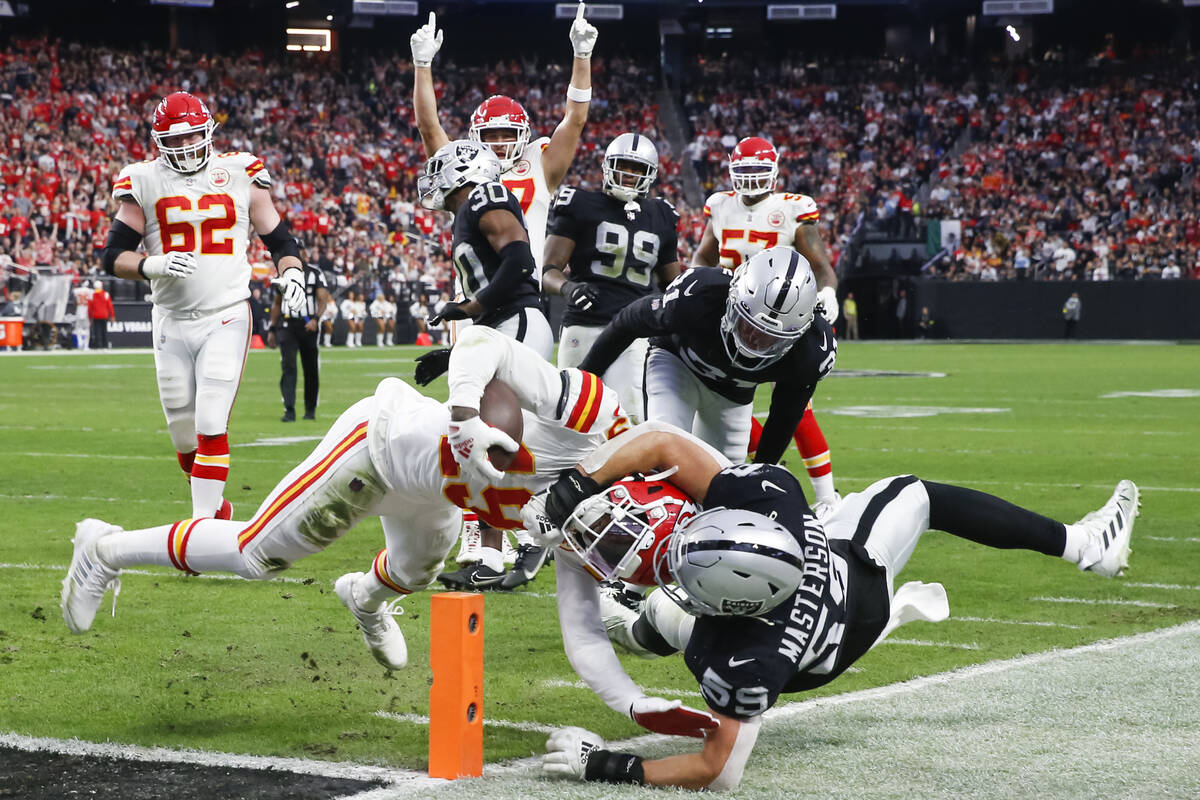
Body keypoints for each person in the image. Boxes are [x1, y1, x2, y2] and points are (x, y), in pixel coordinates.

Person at [531, 426, 1140, 791]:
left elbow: (720, 770)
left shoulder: (739, 658)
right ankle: (1087, 547)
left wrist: (610, 767)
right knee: (915, 495)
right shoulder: (771, 496)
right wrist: (579, 485)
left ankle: (641, 628)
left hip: (849, 616)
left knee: (662, 622)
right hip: (844, 570)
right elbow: (663, 441)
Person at [60, 326, 628, 674]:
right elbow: (481, 341)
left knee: (416, 568)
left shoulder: (594, 516)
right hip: (379, 451)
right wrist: (464, 412)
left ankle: (364, 599)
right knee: (256, 554)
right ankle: (105, 549)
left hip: (435, 495)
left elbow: (585, 625)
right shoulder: (590, 419)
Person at [99, 91, 310, 520]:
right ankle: (219, 511)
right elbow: (113, 256)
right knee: (183, 435)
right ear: (158, 142)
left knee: (211, 421)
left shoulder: (239, 171)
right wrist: (152, 263)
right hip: (171, 319)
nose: (183, 148)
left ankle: (201, 530)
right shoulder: (143, 179)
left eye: (190, 137)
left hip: (226, 312)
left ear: (208, 132)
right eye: (172, 142)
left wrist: (292, 273)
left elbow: (280, 240)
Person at [578, 246, 837, 509]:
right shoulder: (699, 294)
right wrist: (585, 377)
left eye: (770, 337)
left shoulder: (811, 351)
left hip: (733, 396)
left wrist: (761, 471)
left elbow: (783, 418)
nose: (754, 340)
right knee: (663, 457)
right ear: (732, 298)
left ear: (798, 334)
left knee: (726, 485)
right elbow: (628, 321)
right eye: (748, 324)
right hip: (676, 365)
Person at [415, 139, 561, 589]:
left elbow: (519, 261)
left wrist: (472, 308)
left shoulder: (485, 195)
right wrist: (456, 353)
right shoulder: (470, 210)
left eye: (441, 170)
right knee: (493, 439)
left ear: (463, 170)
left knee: (492, 437)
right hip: (505, 325)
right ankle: (497, 556)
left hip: (513, 321)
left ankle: (537, 530)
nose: (433, 179)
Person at [691, 136, 841, 512]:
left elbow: (821, 265)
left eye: (759, 172)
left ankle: (826, 497)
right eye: (744, 172)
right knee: (723, 399)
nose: (752, 180)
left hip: (781, 318)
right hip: (732, 320)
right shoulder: (720, 205)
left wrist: (828, 292)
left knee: (799, 405)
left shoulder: (792, 208)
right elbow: (703, 258)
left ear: (774, 171)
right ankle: (762, 468)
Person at [411, 5, 596, 291]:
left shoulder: (541, 163)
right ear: (475, 137)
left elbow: (575, 120)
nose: (499, 142)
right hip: (471, 296)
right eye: (491, 134)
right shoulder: (462, 168)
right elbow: (428, 126)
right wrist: (422, 66)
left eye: (507, 133)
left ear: (523, 135)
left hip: (524, 293)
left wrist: (582, 56)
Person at [542, 132, 682, 424]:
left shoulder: (662, 215)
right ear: (607, 165)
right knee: (571, 414)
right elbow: (548, 270)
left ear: (650, 174)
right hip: (584, 322)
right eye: (622, 165)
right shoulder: (578, 203)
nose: (628, 174)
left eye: (636, 169)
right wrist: (568, 288)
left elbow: (672, 282)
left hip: (634, 330)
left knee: (630, 414)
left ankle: (628, 471)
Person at [268, 262, 332, 422]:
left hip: (308, 325)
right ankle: (289, 410)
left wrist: (316, 319)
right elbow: (277, 302)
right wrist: (272, 328)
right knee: (288, 367)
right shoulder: (283, 274)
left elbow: (323, 298)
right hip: (287, 325)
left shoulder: (314, 273)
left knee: (310, 369)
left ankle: (310, 410)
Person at [87, 280, 113, 350]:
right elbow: (110, 307)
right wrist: (112, 316)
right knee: (104, 331)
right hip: (104, 315)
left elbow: (90, 308)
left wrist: (90, 317)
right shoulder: (106, 294)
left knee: (97, 331)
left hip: (95, 316)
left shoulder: (91, 295)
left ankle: (98, 346)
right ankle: (105, 346)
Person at [73, 280, 93, 350]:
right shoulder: (90, 291)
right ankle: (86, 345)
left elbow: (75, 301)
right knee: (87, 329)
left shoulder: (76, 291)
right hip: (86, 310)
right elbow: (91, 302)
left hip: (79, 310)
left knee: (78, 328)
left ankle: (80, 343)